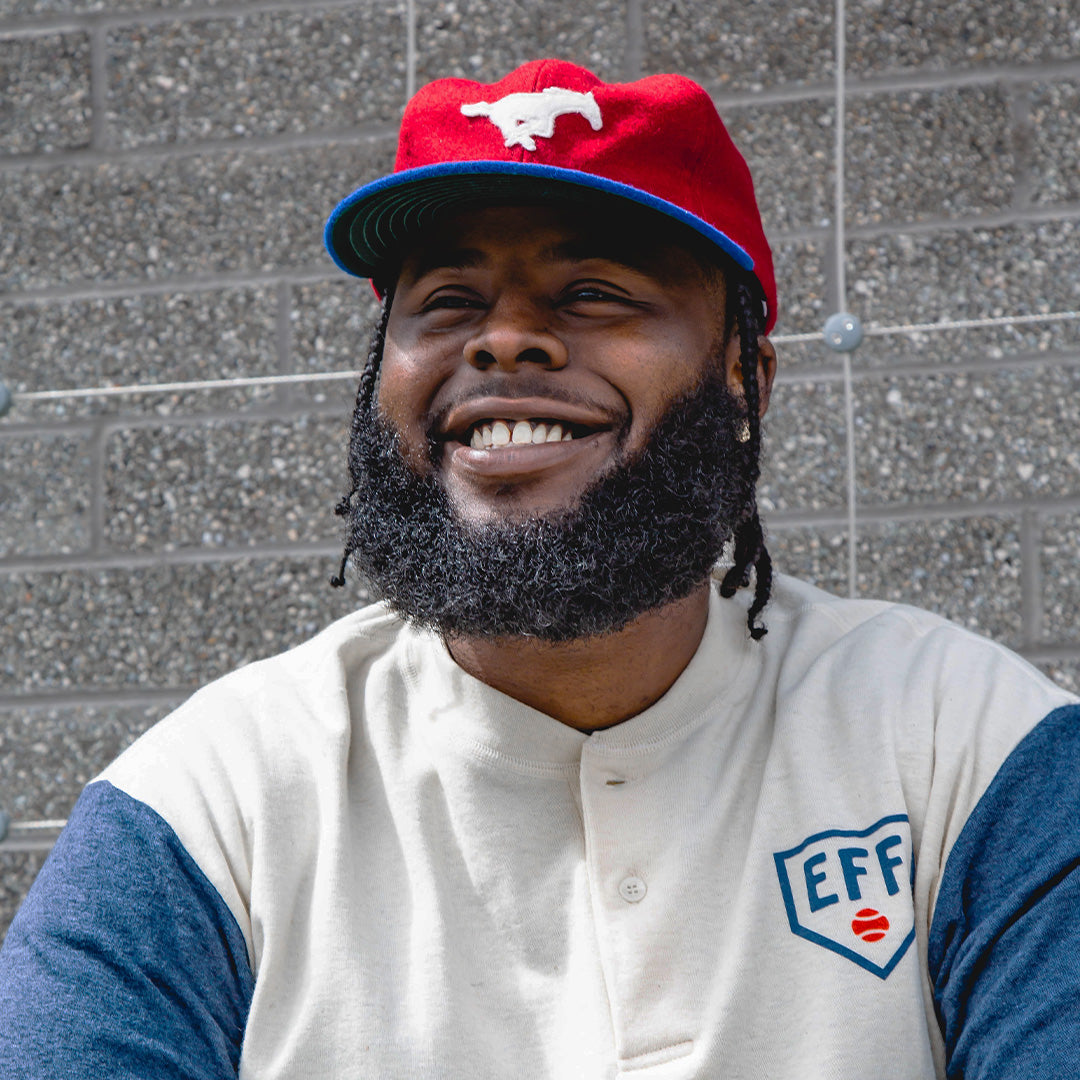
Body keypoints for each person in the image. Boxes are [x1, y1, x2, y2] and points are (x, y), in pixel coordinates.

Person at [1, 58, 1078, 1079]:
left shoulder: (967, 746)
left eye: (595, 292)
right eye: (450, 301)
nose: (505, 342)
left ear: (748, 376)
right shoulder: (204, 813)